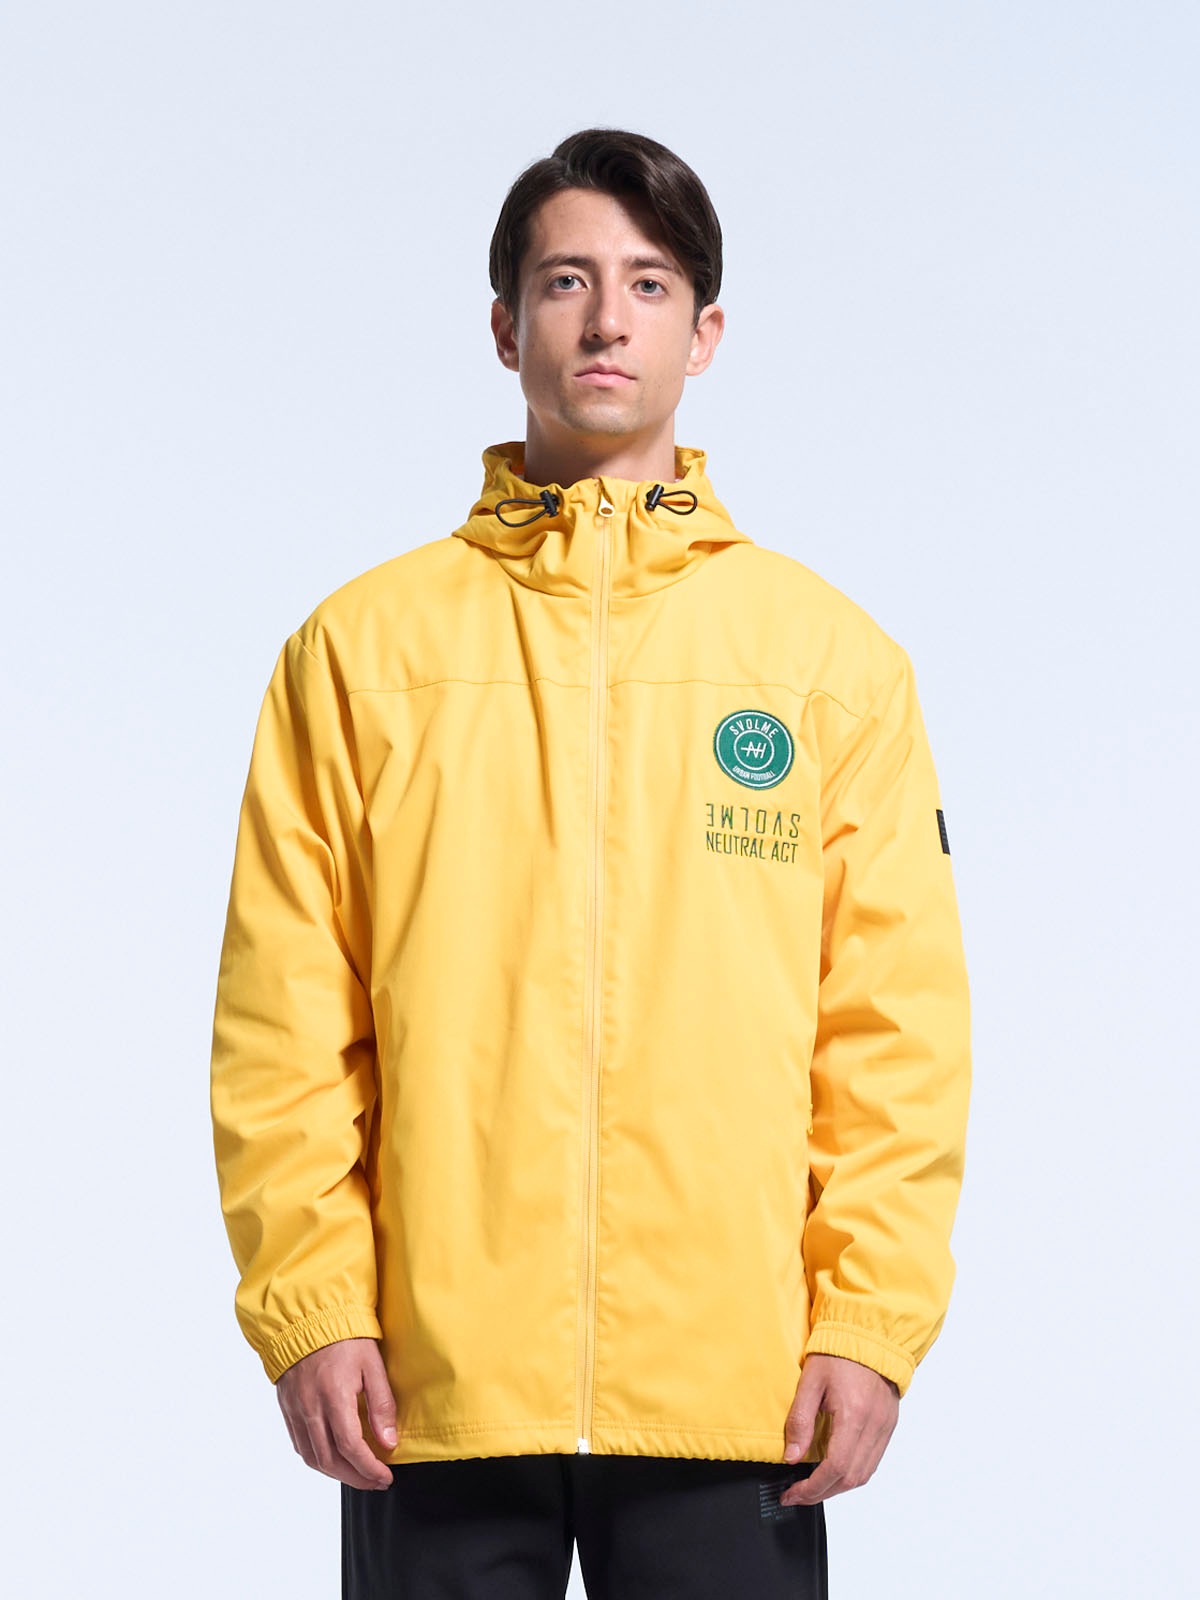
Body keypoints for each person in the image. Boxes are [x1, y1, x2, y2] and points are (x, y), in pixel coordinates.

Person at [210, 126, 972, 1599]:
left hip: (736, 1387)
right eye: (566, 281)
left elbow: (893, 1033)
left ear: (707, 332)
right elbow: (285, 1021)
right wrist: (313, 1308)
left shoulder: (829, 665)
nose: (608, 319)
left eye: (649, 282)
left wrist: (868, 1324)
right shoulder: (359, 653)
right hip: (430, 1385)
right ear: (506, 326)